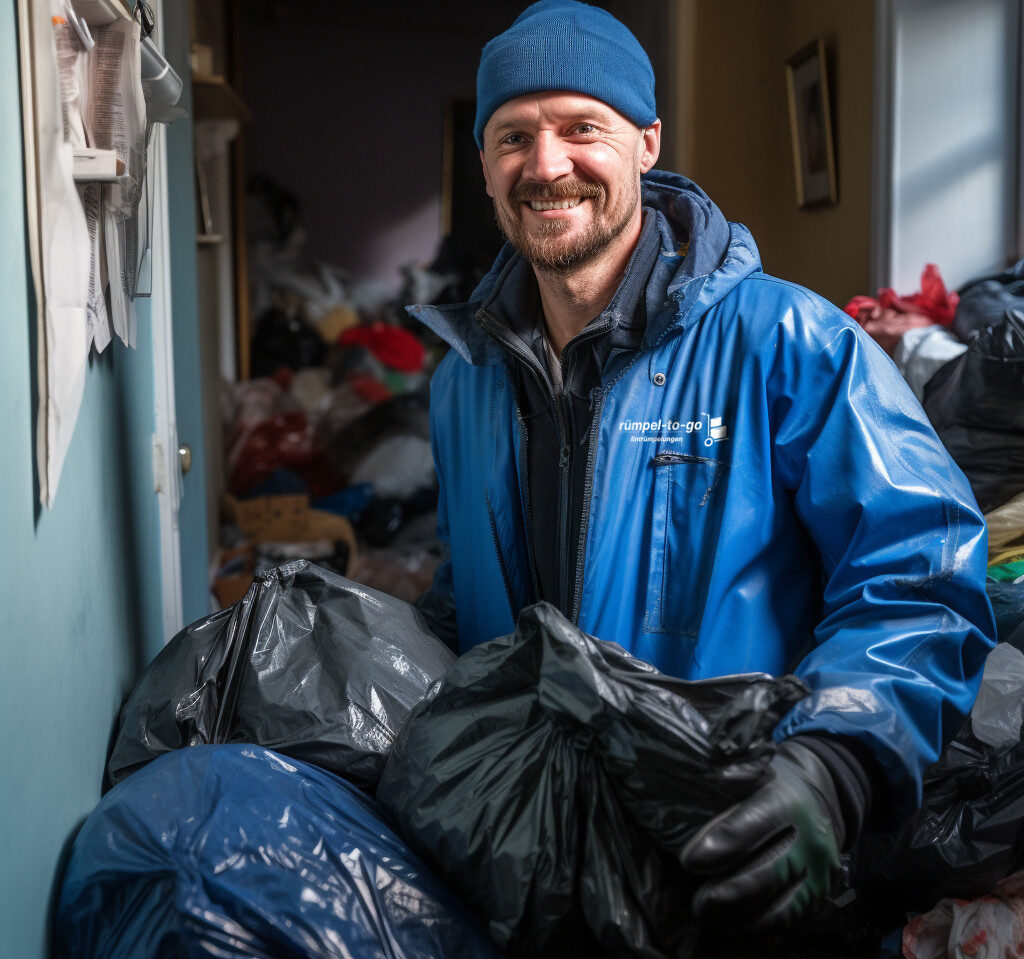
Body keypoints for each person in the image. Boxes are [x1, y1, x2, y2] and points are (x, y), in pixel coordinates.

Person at [406, 0, 996, 935]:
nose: (546, 165)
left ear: (646, 143)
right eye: (513, 136)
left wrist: (836, 763)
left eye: (581, 128)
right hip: (532, 865)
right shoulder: (462, 383)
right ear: (485, 164)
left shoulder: (790, 343)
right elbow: (466, 594)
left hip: (739, 850)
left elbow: (921, 575)